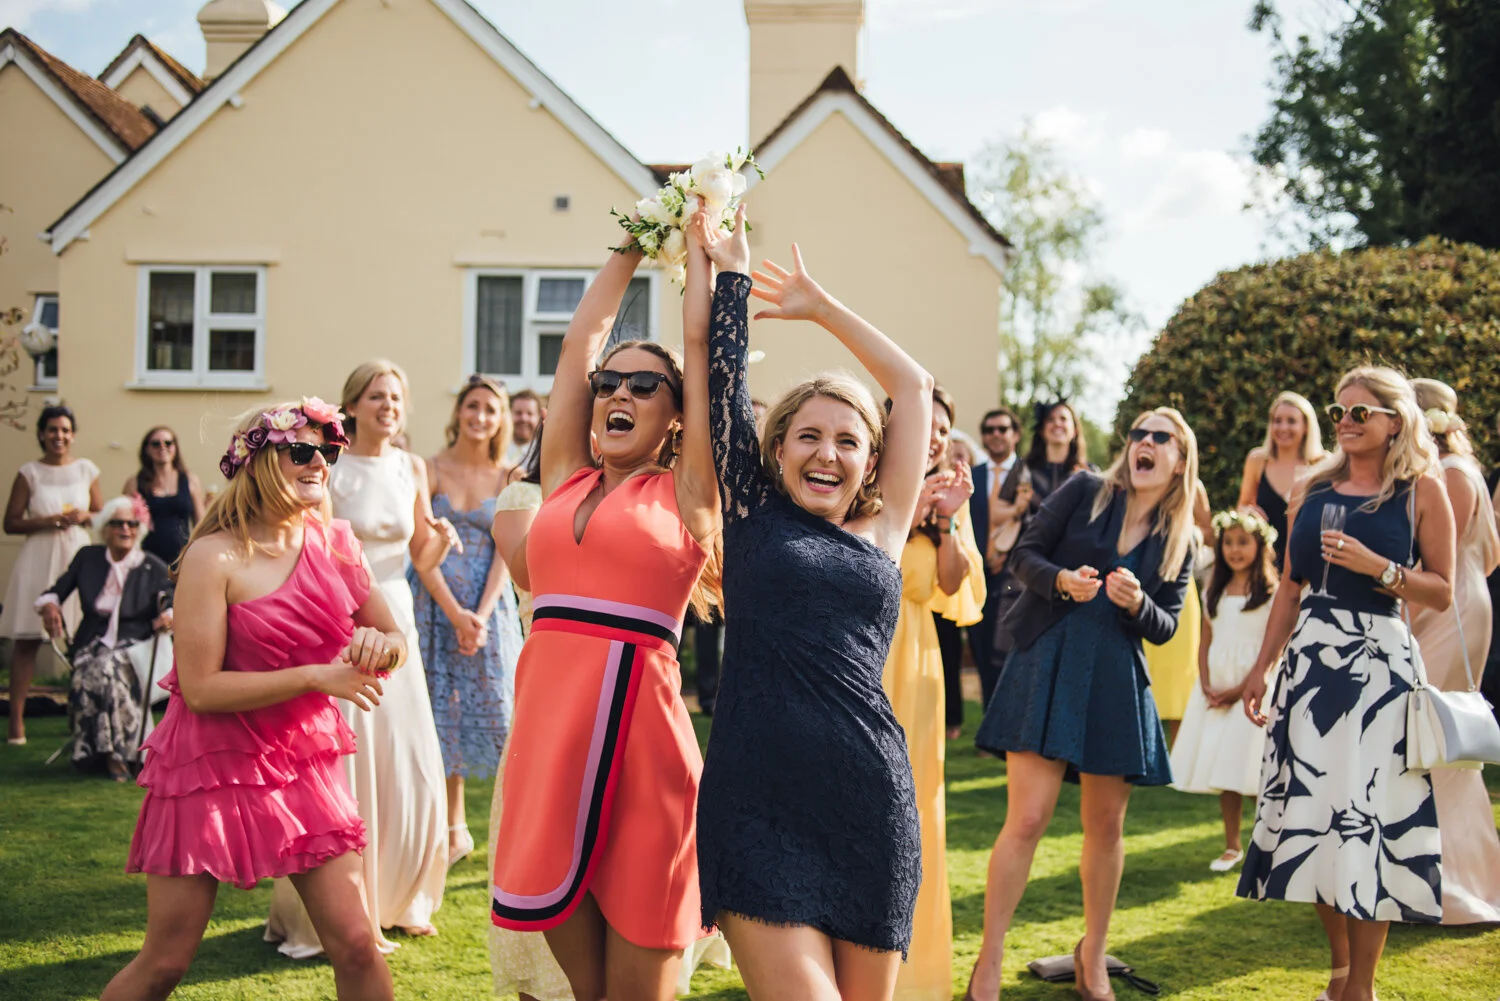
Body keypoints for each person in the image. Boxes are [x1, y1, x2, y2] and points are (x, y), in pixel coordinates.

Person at [692, 208, 932, 999]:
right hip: (756, 806)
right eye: (808, 435)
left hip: (869, 803)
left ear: (871, 461)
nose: (827, 453)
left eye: (848, 440)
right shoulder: (751, 516)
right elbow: (723, 382)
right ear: (777, 448)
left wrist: (821, 307)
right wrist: (732, 275)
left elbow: (912, 386)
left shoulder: (885, 530)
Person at [101, 400, 399, 1001]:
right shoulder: (213, 556)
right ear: (259, 462)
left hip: (301, 763)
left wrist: (380, 645)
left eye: (327, 451)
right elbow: (201, 688)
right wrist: (317, 677)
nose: (319, 463)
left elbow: (393, 638)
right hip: (207, 764)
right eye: (302, 450)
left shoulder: (338, 544)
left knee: (357, 945)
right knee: (165, 962)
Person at [489, 229, 721, 1001]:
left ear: (678, 415)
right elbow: (576, 348)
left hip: (644, 753)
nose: (620, 393)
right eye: (611, 383)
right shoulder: (563, 476)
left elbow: (701, 349)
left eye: (645, 386)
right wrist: (634, 242)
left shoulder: (689, 493)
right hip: (548, 745)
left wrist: (696, 247)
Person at [968, 408, 1199, 1001]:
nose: (1145, 442)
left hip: (1115, 681)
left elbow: (1167, 625)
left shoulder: (1182, 538)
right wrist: (1062, 581)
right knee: (1026, 819)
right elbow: (1024, 555)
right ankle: (988, 961)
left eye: (1161, 437)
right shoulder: (1085, 489)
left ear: (1179, 461)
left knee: (1106, 827)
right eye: (1139, 433)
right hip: (1047, 660)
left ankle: (1092, 955)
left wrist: (1139, 604)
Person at [1239, 366, 1454, 1001]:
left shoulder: (1423, 490)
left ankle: (1362, 987)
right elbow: (1290, 586)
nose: (1345, 422)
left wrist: (1380, 568)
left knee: (1370, 820)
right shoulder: (1311, 487)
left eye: (1361, 412)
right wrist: (1262, 667)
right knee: (1312, 817)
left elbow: (1442, 591)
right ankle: (1339, 973)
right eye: (1339, 411)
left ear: (1395, 420)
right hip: (1310, 662)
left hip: (1379, 669)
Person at [265, 362, 457, 955]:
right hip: (340, 618)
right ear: (352, 406)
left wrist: (440, 543)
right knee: (346, 760)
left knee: (405, 757)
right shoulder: (331, 465)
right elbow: (308, 539)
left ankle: (403, 897)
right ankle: (338, 905)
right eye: (377, 396)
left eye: (396, 396)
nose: (388, 406)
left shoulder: (412, 466)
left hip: (396, 613)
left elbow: (420, 553)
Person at [881, 384, 984, 1001]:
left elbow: (951, 584)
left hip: (918, 661)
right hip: (863, 647)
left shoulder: (948, 498)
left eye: (945, 429)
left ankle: (912, 972)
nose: (936, 436)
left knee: (914, 807)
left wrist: (945, 520)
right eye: (929, 423)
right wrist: (909, 508)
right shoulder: (864, 481)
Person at [412, 374, 523, 863]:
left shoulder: (509, 476)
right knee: (442, 707)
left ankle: (514, 828)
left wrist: (478, 615)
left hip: (488, 608)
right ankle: (453, 828)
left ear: (501, 420)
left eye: (490, 409)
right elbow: (418, 547)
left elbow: (506, 551)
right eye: (472, 406)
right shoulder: (428, 468)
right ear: (458, 410)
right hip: (433, 603)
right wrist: (453, 613)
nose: (480, 416)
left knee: (502, 714)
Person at [1408, 378, 1500, 925]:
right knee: (1429, 741)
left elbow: (1439, 555)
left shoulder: (1453, 474)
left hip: (1451, 609)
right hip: (1459, 597)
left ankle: (1456, 889)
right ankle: (1428, 879)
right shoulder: (1451, 470)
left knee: (1441, 739)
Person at [1168, 509, 1278, 872]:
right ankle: (1232, 845)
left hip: (1251, 691)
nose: (1234, 550)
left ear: (1259, 545)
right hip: (1217, 687)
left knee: (1251, 765)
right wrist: (1205, 682)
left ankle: (1267, 843)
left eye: (1243, 542)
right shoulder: (1213, 590)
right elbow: (1206, 639)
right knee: (1224, 766)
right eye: (1228, 543)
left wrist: (1241, 688)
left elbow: (1273, 646)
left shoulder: (1271, 593)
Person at [37, 495, 174, 780]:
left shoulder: (152, 566)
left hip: (136, 645)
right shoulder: (88, 558)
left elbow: (173, 600)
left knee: (106, 669)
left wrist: (169, 614)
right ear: (104, 528)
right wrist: (50, 606)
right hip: (92, 642)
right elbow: (55, 591)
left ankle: (107, 755)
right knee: (90, 672)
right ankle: (118, 754)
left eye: (132, 524)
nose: (125, 529)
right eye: (118, 523)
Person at [985, 400, 1093, 712]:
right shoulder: (1024, 469)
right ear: (1043, 429)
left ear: (1074, 430)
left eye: (1064, 419)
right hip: (1026, 571)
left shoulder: (1089, 474)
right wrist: (1019, 507)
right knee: (1016, 650)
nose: (1057, 424)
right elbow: (996, 512)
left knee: (1064, 653)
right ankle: (1010, 721)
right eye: (1051, 419)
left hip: (1071, 572)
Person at [2, 404, 101, 745]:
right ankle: (16, 720)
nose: (59, 436)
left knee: (83, 638)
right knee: (28, 641)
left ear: (73, 435)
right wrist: (46, 521)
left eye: (65, 430)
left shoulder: (87, 469)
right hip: (39, 557)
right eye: (53, 430)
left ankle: (82, 717)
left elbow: (100, 514)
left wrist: (84, 516)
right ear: (42, 434)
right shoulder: (29, 472)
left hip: (77, 555)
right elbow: (10, 522)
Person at [1143, 478, 1212, 745]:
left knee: (1180, 676)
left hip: (1179, 590)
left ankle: (1180, 753)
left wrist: (1189, 534)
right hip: (1142, 588)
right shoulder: (1140, 484)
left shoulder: (1192, 486)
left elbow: (1208, 532)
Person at [969, 407, 1022, 711]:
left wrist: (1008, 556)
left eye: (1003, 429)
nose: (996, 435)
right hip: (978, 578)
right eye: (989, 430)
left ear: (1015, 434)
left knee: (1011, 654)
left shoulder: (1029, 475)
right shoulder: (973, 476)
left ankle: (1015, 721)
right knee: (982, 652)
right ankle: (991, 724)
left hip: (1018, 579)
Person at [1237, 391, 1325, 568]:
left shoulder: (1323, 463)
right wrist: (1248, 512)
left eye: (1291, 421)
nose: (1283, 428)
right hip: (1265, 564)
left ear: (1306, 426)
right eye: (1277, 421)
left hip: (1309, 563)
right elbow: (1242, 505)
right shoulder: (1257, 460)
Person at [126, 426, 206, 567]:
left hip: (182, 558)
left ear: (175, 448)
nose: (162, 447)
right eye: (156, 444)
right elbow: (125, 519)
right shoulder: (135, 483)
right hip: (145, 558)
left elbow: (201, 522)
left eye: (168, 443)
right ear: (147, 449)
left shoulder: (190, 480)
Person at [507, 388, 545, 466]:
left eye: (530, 414)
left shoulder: (544, 455)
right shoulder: (493, 451)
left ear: (539, 418)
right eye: (518, 413)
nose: (524, 418)